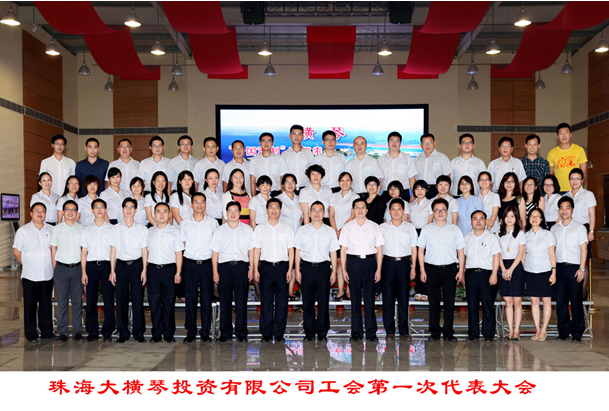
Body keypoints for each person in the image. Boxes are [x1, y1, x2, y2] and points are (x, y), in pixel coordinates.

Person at [417, 198, 466, 342]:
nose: (440, 213)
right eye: (437, 210)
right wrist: (422, 270)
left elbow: (461, 251)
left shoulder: (454, 229)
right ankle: (434, 331)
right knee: (434, 302)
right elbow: (420, 250)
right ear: (433, 212)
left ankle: (448, 331)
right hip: (431, 269)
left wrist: (461, 270)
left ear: (447, 212)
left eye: (443, 210)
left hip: (450, 269)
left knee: (449, 302)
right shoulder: (427, 229)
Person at [339, 198, 385, 342]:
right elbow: (343, 250)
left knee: (370, 299)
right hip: (353, 263)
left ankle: (371, 332)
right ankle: (356, 332)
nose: (360, 210)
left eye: (362, 207)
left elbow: (379, 249)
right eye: (357, 207)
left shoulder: (374, 226)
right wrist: (344, 270)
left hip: (370, 262)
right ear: (353, 210)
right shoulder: (347, 227)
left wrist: (378, 269)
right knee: (355, 299)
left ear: (366, 210)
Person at [295, 201, 340, 341]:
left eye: (320, 210)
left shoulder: (330, 231)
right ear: (309, 213)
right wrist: (297, 270)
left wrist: (334, 271)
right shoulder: (302, 230)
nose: (317, 213)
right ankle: (309, 332)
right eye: (314, 210)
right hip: (307, 268)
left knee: (323, 301)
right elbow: (297, 251)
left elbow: (333, 252)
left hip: (323, 268)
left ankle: (322, 332)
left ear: (324, 213)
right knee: (307, 302)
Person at [253, 198, 295, 342]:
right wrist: (255, 269)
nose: (274, 210)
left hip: (282, 267)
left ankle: (279, 333)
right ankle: (266, 333)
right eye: (271, 207)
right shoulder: (260, 228)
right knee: (266, 301)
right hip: (265, 267)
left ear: (280, 211)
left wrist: (290, 269)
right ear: (266, 210)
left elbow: (291, 250)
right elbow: (257, 250)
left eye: (277, 207)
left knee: (282, 301)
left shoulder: (287, 228)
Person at [211, 201, 254, 342]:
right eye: (230, 211)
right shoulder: (219, 230)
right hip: (224, 267)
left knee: (241, 302)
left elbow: (251, 251)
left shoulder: (247, 230)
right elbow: (215, 253)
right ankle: (225, 332)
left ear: (240, 213)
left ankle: (241, 332)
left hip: (241, 267)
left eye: (236, 211)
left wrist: (252, 268)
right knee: (225, 301)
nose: (233, 213)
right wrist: (215, 271)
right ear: (226, 213)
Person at [13, 203, 56, 342]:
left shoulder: (51, 229)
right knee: (30, 306)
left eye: (42, 211)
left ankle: (47, 332)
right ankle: (31, 334)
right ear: (31, 213)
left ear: (45, 214)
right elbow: (17, 251)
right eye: (36, 211)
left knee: (46, 305)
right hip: (30, 275)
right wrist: (28, 264)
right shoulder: (23, 231)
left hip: (47, 274)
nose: (39, 213)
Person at [180, 192, 219, 343]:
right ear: (191, 204)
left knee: (206, 299)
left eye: (202, 202)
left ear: (205, 204)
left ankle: (205, 331)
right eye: (196, 202)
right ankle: (191, 331)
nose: (199, 205)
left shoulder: (213, 223)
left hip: (207, 264)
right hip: (189, 263)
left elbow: (216, 247)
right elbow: (183, 245)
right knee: (190, 299)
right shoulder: (185, 223)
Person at [109, 198, 149, 343]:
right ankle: (123, 332)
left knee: (138, 299)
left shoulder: (142, 228)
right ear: (122, 209)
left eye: (132, 207)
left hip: (137, 265)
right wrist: (112, 270)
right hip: (121, 266)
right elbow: (113, 250)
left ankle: (139, 332)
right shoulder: (115, 228)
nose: (129, 210)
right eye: (126, 207)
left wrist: (144, 270)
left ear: (136, 210)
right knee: (121, 300)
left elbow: (144, 250)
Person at [379, 198, 417, 341]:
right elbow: (378, 249)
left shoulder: (410, 227)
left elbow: (414, 248)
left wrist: (413, 267)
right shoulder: (382, 227)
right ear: (389, 211)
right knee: (387, 298)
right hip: (387, 263)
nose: (396, 212)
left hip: (404, 264)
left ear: (403, 211)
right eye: (393, 209)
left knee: (403, 298)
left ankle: (404, 331)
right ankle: (389, 331)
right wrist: (379, 268)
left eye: (399, 209)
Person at [551, 196, 588, 342]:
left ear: (572, 209)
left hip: (574, 268)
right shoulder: (554, 229)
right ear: (559, 210)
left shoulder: (579, 228)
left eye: (567, 207)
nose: (564, 211)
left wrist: (582, 269)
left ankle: (577, 332)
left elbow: (584, 249)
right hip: (559, 268)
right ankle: (563, 332)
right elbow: (552, 251)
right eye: (561, 208)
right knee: (561, 301)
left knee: (576, 301)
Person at [147, 202, 184, 343]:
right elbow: (145, 252)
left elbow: (178, 253)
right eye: (158, 211)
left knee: (169, 303)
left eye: (164, 211)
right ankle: (156, 333)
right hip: (152, 270)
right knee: (154, 303)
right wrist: (144, 270)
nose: (161, 215)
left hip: (169, 270)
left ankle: (169, 334)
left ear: (169, 214)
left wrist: (178, 272)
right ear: (154, 214)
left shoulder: (175, 232)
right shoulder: (149, 232)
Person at [463, 210, 501, 342]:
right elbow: (463, 256)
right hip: (471, 274)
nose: (478, 221)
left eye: (481, 218)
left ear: (485, 221)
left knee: (487, 304)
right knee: (472, 304)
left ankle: (488, 333)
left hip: (487, 274)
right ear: (471, 221)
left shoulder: (492, 237)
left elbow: (496, 256)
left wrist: (494, 274)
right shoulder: (466, 237)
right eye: (475, 218)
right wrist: (462, 272)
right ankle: (473, 333)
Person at [80, 198, 115, 342]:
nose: (99, 210)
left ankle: (108, 331)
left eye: (102, 207)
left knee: (108, 299)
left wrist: (113, 270)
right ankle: (92, 331)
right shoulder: (86, 229)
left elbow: (114, 251)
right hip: (91, 266)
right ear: (92, 210)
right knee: (91, 300)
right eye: (96, 207)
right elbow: (83, 252)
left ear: (106, 210)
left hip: (107, 266)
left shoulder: (112, 229)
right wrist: (83, 272)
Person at [50, 200, 85, 341]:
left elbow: (84, 250)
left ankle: (78, 331)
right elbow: (53, 249)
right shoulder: (56, 229)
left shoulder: (82, 229)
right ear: (63, 212)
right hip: (61, 269)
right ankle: (63, 331)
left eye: (73, 209)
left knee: (78, 302)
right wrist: (56, 268)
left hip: (77, 269)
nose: (70, 212)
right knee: (62, 303)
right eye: (68, 209)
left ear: (76, 213)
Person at [524, 208, 556, 342]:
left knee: (546, 301)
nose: (534, 218)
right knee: (534, 301)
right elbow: (523, 255)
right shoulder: (525, 235)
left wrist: (554, 272)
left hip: (545, 270)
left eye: (537, 216)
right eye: (532, 216)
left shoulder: (548, 234)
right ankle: (537, 329)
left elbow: (552, 254)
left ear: (542, 219)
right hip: (530, 271)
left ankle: (544, 330)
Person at [328, 172, 358, 301]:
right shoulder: (333, 196)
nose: (344, 183)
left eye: (347, 180)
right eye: (342, 180)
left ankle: (349, 291)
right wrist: (335, 231)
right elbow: (331, 215)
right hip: (335, 233)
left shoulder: (355, 196)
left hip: (350, 232)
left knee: (349, 262)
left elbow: (353, 215)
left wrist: (342, 230)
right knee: (339, 262)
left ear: (351, 182)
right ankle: (340, 290)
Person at [498, 206, 526, 341]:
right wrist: (504, 269)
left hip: (516, 267)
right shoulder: (499, 234)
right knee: (508, 301)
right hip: (503, 266)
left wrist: (511, 269)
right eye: (507, 216)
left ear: (516, 218)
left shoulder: (520, 234)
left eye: (512, 216)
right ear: (503, 218)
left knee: (517, 301)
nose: (509, 219)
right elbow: (498, 254)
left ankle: (517, 330)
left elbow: (521, 254)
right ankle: (510, 329)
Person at [276, 173, 303, 301]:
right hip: (282, 236)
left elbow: (302, 217)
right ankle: (282, 290)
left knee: (293, 264)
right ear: (282, 185)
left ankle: (290, 291)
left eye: (293, 182)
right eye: (287, 182)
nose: (290, 185)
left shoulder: (300, 199)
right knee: (284, 263)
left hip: (297, 235)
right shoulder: (278, 200)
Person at [563, 168, 596, 259]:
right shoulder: (565, 196)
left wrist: (591, 231)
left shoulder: (588, 194)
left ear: (582, 180)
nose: (574, 181)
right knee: (571, 256)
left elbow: (592, 215)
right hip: (568, 228)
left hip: (583, 228)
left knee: (583, 257)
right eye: (572, 178)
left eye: (577, 179)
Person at [548, 123, 588, 193]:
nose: (564, 135)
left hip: (575, 190)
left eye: (566, 133)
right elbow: (551, 175)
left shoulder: (579, 150)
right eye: (561, 133)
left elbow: (583, 173)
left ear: (570, 134)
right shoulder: (551, 153)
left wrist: (576, 186)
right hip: (559, 191)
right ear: (557, 136)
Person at [409, 180, 432, 301]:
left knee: (426, 262)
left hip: (426, 232)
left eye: (422, 189)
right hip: (414, 233)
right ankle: (418, 290)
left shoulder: (430, 203)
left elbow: (431, 220)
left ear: (426, 190)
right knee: (416, 262)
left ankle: (426, 291)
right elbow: (408, 220)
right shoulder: (411, 205)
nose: (419, 191)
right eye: (417, 189)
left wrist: (424, 234)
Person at [378, 132, 417, 197]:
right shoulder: (381, 160)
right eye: (392, 141)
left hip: (403, 193)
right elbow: (379, 180)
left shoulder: (407, 158)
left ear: (400, 143)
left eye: (397, 141)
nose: (394, 143)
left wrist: (413, 195)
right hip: (386, 193)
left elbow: (412, 178)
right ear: (388, 142)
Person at [414, 133, 451, 198]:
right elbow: (414, 178)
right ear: (421, 145)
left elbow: (447, 176)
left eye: (430, 143)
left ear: (434, 143)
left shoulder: (442, 157)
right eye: (425, 143)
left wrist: (445, 193)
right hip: (421, 191)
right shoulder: (416, 160)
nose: (427, 145)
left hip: (437, 190)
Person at [281, 125, 315, 192]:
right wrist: (283, 192)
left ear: (303, 136)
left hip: (306, 190)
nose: (296, 137)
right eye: (294, 134)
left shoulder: (309, 154)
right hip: (289, 190)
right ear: (290, 136)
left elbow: (313, 173)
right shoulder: (284, 155)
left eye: (299, 134)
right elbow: (282, 175)